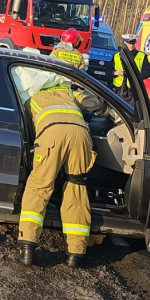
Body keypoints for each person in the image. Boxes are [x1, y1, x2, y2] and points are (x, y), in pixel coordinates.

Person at [18, 72, 109, 268]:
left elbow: (25, 128)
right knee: (76, 187)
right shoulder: (67, 89)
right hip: (80, 135)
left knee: (39, 186)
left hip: (51, 134)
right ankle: (75, 253)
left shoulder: (29, 95)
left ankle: (27, 246)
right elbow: (94, 105)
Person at [111, 34, 150, 106]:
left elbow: (148, 72)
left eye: (133, 43)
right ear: (124, 43)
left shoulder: (142, 56)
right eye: (129, 43)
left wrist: (135, 76)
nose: (132, 45)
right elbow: (107, 71)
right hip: (118, 90)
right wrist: (115, 72)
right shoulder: (116, 56)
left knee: (130, 113)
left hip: (133, 91)